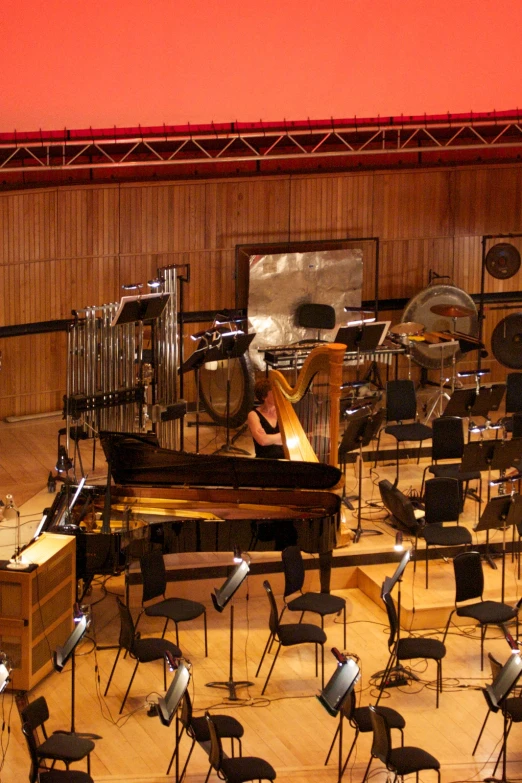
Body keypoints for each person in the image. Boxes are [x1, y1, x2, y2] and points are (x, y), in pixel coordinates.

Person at [247, 378, 285, 459]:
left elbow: (292, 440)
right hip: (264, 461)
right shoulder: (253, 415)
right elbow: (263, 441)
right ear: (264, 397)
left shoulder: (283, 412)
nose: (278, 394)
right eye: (274, 392)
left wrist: (269, 438)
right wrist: (284, 436)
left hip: (285, 458)